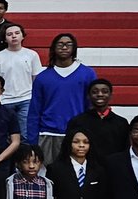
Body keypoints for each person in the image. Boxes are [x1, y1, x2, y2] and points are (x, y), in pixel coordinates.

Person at [26, 33, 97, 162]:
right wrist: (32, 141)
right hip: (48, 134)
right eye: (60, 44)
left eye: (68, 44)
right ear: (53, 48)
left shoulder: (87, 74)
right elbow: (34, 112)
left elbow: (91, 106)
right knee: (49, 177)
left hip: (77, 135)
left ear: (74, 48)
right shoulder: (42, 78)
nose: (64, 47)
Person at [0, 23, 42, 136]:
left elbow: (36, 78)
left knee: (25, 135)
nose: (14, 36)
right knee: (4, 134)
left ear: (23, 36)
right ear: (5, 38)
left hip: (26, 99)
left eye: (17, 33)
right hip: (5, 100)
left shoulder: (32, 55)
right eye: (9, 34)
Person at [64, 78, 130, 163]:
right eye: (95, 92)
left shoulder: (121, 123)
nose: (100, 94)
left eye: (105, 91)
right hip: (87, 169)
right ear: (88, 96)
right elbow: (68, 148)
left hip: (113, 169)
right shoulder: (77, 121)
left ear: (111, 95)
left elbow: (125, 150)